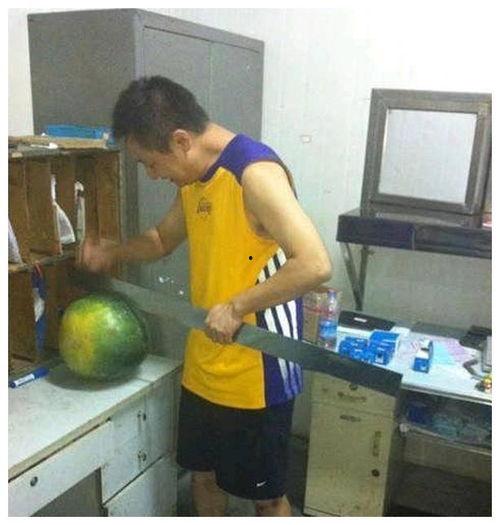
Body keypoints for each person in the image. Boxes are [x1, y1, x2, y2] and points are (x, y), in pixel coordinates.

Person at [79, 76, 332, 516]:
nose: (152, 175)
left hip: (258, 369)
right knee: (203, 475)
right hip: (204, 361)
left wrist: (238, 306)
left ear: (180, 140)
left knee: (267, 497)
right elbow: (162, 239)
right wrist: (112, 253)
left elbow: (314, 264)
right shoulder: (194, 179)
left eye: (150, 163)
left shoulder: (255, 174)